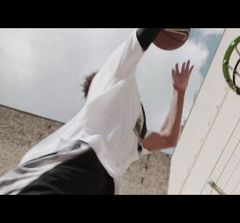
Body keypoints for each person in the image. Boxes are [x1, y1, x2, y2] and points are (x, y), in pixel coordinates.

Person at [0, 28, 194, 194]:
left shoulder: (129, 137)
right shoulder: (113, 75)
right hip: (62, 171)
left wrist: (179, 91)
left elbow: (168, 138)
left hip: (99, 183)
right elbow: (142, 36)